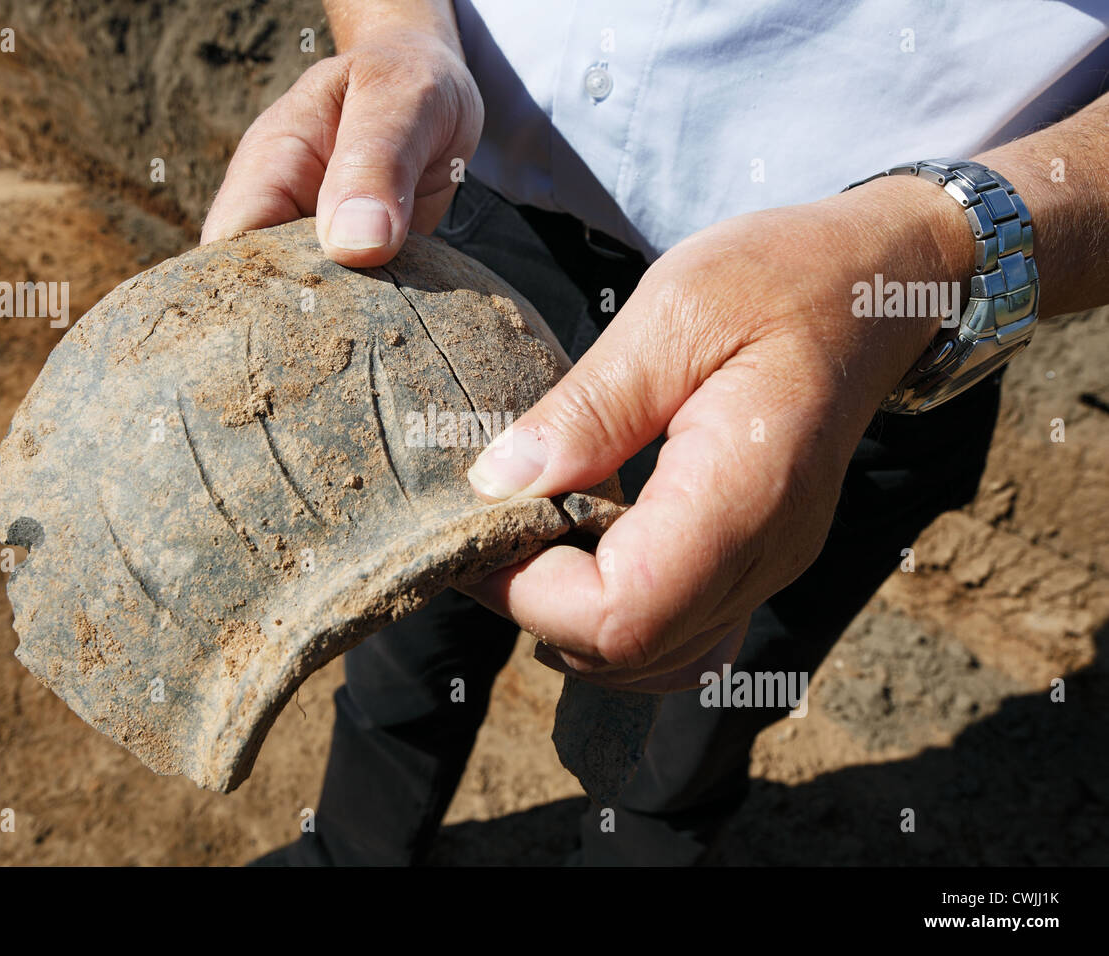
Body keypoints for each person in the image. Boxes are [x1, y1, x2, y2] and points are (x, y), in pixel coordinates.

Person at [201, 0, 1109, 865]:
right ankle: (352, 854)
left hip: (870, 323)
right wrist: (398, 32)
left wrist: (945, 244)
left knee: (689, 710)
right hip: (474, 231)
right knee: (406, 646)